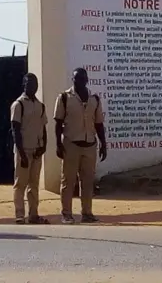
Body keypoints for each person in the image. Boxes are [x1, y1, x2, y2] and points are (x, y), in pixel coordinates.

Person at [54, 67, 107, 224]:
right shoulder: (64, 97)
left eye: (83, 79)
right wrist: (58, 144)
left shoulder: (94, 99)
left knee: (88, 181)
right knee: (68, 181)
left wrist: (104, 144)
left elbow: (98, 124)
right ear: (73, 79)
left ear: (87, 80)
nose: (80, 81)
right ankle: (66, 213)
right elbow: (58, 123)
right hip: (71, 144)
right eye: (77, 78)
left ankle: (87, 213)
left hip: (90, 145)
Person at [10, 73, 49, 224]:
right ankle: (19, 215)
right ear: (24, 85)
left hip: (37, 150)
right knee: (20, 184)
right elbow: (15, 130)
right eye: (29, 84)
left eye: (35, 84)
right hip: (23, 150)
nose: (33, 86)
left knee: (34, 185)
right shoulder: (18, 105)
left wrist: (44, 146)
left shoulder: (40, 105)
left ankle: (33, 215)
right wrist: (21, 153)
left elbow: (43, 127)